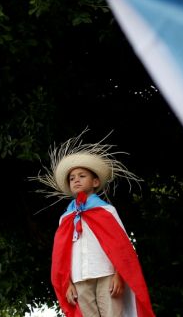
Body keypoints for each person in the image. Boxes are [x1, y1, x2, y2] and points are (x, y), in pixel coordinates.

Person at [33, 131, 155, 317]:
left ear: (95, 181)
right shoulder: (66, 218)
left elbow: (122, 247)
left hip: (106, 273)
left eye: (82, 176)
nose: (76, 180)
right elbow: (63, 256)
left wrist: (118, 275)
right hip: (79, 278)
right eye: (72, 178)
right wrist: (67, 283)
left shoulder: (106, 211)